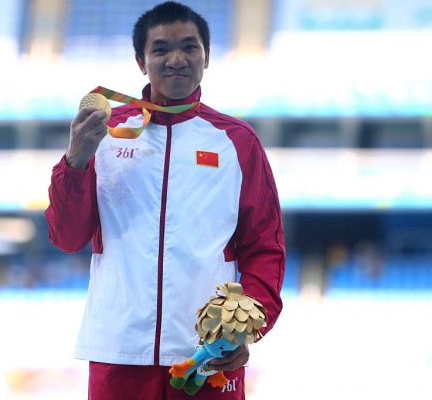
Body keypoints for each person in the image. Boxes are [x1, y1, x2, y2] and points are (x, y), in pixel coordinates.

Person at [45, 2, 285, 399]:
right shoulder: (103, 135)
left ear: (206, 55)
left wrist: (246, 329)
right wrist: (75, 160)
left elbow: (264, 246)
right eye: (160, 50)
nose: (177, 59)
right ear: (141, 61)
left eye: (190, 47)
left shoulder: (237, 142)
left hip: (208, 353)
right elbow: (67, 237)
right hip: (118, 350)